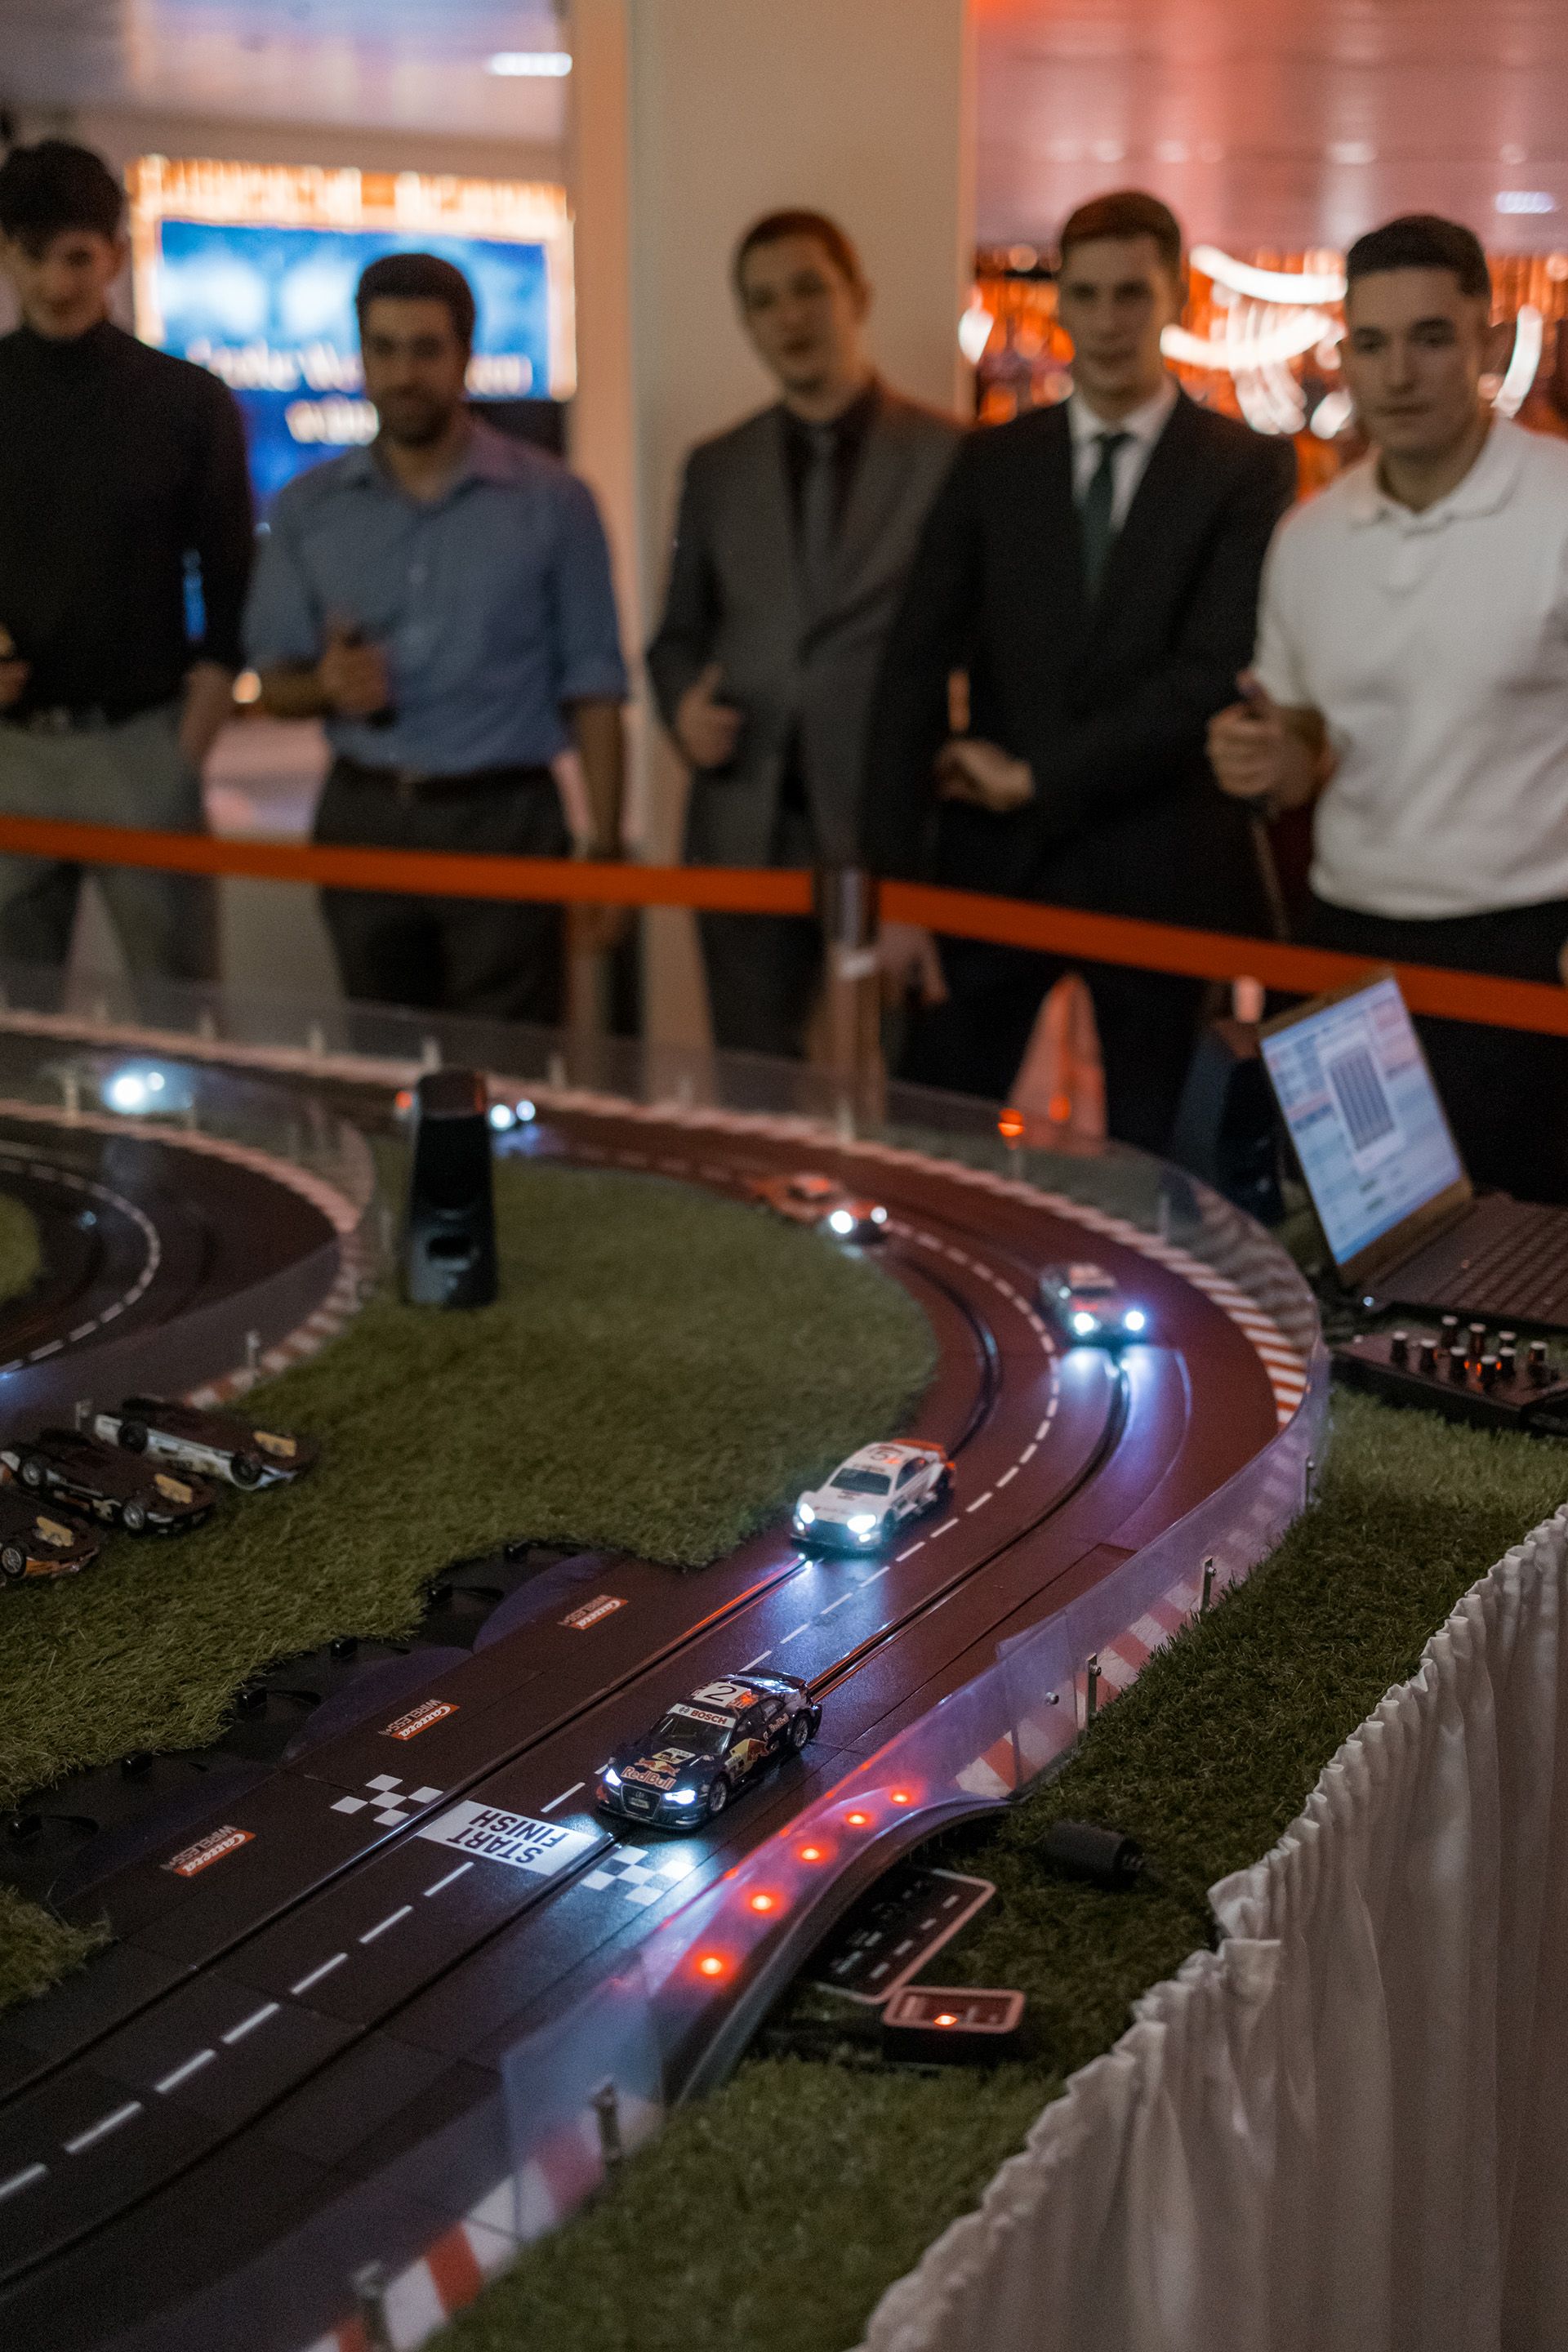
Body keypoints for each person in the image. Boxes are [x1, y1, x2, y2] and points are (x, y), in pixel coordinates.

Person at [864, 190, 1297, 1153]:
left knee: (1164, 1168)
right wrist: (891, 881)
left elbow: (1213, 669)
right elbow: (912, 661)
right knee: (937, 1144)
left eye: (1132, 294)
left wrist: (1037, 775)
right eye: (1087, 294)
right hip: (995, 869)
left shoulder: (1243, 467)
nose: (1107, 320)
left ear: (1176, 298)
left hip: (1162, 865)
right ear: (1059, 304)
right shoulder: (992, 462)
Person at [1209, 214, 1568, 1206]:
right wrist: (1265, 758)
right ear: (1346, 356)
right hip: (1344, 943)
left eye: (1431, 337)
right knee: (1348, 1246)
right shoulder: (1312, 534)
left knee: (1522, 1277)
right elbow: (1305, 739)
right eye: (1371, 343)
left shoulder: (1558, 503)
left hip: (1523, 948)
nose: (1398, 373)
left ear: (1490, 345)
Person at [246, 252, 627, 1024]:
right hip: (365, 813)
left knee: (513, 1075)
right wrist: (326, 687)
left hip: (507, 818)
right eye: (382, 349)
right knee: (384, 1059)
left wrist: (608, 850)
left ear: (466, 357)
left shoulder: (554, 502)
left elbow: (596, 686)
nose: (402, 373)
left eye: (425, 349)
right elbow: (274, 681)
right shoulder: (309, 508)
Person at [647, 210, 960, 1058]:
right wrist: (682, 713)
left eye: (808, 290)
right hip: (747, 818)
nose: (789, 317)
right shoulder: (716, 467)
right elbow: (674, 637)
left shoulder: (952, 456)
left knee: (913, 1088)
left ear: (856, 297)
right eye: (764, 300)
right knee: (757, 1088)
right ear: (746, 320)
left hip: (895, 823)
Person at [0, 140, 252, 980]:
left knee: (182, 1016)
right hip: (12, 744)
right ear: (6, 252)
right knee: (13, 1030)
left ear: (114, 253)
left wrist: (189, 744)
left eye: (77, 258)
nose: (56, 283)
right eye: (34, 257)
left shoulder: (185, 401)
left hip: (142, 736)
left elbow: (231, 584)